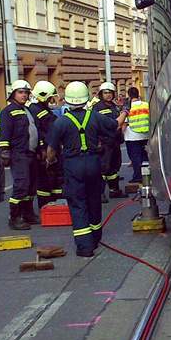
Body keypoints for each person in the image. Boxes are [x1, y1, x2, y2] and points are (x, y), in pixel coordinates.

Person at [47, 81, 118, 258]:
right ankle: (95, 237)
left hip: (73, 165)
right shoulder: (94, 116)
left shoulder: (60, 122)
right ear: (86, 98)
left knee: (78, 204)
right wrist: (124, 112)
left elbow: (51, 150)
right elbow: (114, 126)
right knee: (94, 200)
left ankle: (85, 247)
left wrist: (50, 161)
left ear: (68, 101)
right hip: (93, 163)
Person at [0, 80, 39, 230]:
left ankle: (28, 214)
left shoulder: (26, 110)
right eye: (20, 92)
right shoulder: (7, 112)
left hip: (31, 153)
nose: (24, 95)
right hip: (18, 154)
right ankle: (14, 217)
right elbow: (5, 133)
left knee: (31, 186)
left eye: (26, 92)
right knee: (21, 185)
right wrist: (5, 151)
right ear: (13, 94)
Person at [28, 81, 64, 208]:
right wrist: (44, 149)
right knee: (49, 178)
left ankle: (49, 205)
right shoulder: (41, 112)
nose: (51, 99)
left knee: (47, 179)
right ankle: (50, 205)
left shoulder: (35, 109)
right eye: (50, 97)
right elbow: (48, 130)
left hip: (44, 149)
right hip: (47, 150)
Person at [93, 81, 126, 201]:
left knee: (114, 168)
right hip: (104, 142)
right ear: (101, 94)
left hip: (114, 142)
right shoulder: (98, 108)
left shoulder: (114, 106)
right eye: (105, 93)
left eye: (110, 92)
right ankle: (100, 193)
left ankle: (114, 190)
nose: (108, 95)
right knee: (103, 169)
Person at [123, 87, 149, 183]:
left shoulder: (128, 107)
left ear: (129, 95)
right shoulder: (146, 105)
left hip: (132, 136)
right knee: (145, 157)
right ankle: (147, 176)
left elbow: (125, 123)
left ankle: (137, 177)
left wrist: (121, 135)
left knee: (135, 158)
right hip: (145, 135)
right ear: (138, 94)